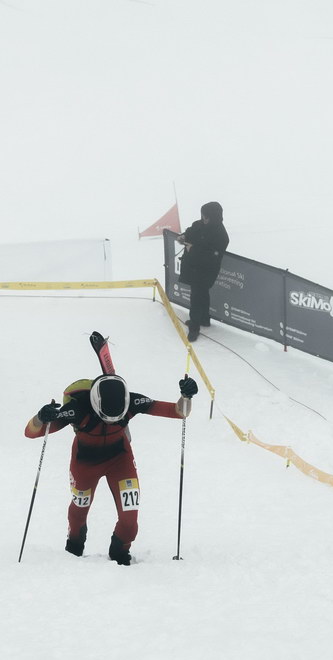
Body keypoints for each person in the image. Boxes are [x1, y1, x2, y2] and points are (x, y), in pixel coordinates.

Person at [23, 332, 197, 565]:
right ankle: (73, 548)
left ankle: (120, 555)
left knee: (130, 521)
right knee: (79, 510)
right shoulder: (78, 410)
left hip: (119, 460)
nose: (112, 421)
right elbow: (31, 432)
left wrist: (186, 396)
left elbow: (179, 412)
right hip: (85, 464)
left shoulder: (131, 400)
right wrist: (41, 417)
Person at [177, 201, 229, 341]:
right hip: (195, 267)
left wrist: (192, 249)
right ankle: (204, 319)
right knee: (203, 294)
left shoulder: (221, 235)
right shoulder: (200, 223)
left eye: (206, 217)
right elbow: (192, 231)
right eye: (203, 216)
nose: (203, 219)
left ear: (214, 217)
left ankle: (194, 327)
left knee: (196, 297)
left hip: (206, 271)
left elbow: (213, 256)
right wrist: (184, 236)